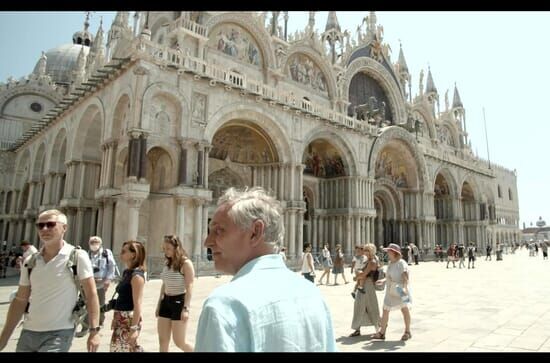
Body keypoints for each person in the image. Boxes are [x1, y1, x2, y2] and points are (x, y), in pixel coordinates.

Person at [195, 187, 337, 352]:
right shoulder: (312, 294)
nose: (208, 242)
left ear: (255, 232)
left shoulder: (225, 304)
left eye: (219, 230)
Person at [0, 209, 100, 352]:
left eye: (51, 224)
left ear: (64, 228)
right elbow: (20, 300)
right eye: (40, 225)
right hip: (29, 331)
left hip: (59, 333)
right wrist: (4, 338)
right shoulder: (30, 261)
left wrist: (94, 331)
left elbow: (91, 295)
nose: (44, 229)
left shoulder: (77, 256)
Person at [156, 235, 195, 352]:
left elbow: (190, 286)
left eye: (168, 248)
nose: (165, 251)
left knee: (179, 342)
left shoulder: (185, 263)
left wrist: (186, 308)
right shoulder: (167, 263)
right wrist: (159, 304)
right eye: (164, 248)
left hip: (179, 302)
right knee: (163, 340)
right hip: (165, 302)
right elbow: (164, 284)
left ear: (176, 247)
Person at [109, 240, 146, 352]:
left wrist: (134, 329)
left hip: (128, 320)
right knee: (116, 349)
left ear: (133, 254)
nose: (121, 253)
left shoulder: (137, 276)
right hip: (120, 317)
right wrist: (115, 319)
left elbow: (137, 304)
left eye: (124, 251)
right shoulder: (126, 272)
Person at [76, 236, 117, 337]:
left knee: (100, 304)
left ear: (100, 243)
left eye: (96, 242)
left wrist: (108, 280)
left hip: (100, 284)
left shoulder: (106, 253)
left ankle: (98, 325)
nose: (94, 244)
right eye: (92, 242)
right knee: (85, 304)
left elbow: (112, 267)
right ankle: (85, 326)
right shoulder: (86, 254)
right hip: (87, 284)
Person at [373, 243, 412, 341]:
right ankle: (382, 333)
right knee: (385, 310)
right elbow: (389, 277)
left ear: (394, 253)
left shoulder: (401, 263)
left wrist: (405, 288)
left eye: (389, 251)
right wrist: (383, 281)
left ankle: (407, 331)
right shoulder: (391, 263)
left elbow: (405, 275)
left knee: (404, 310)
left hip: (400, 289)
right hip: (390, 290)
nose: (387, 253)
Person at [349, 244, 381, 337]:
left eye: (367, 250)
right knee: (359, 306)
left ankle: (379, 328)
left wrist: (356, 277)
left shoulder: (372, 262)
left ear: (371, 252)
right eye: (365, 250)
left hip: (368, 286)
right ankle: (357, 329)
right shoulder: (367, 261)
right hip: (363, 285)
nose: (365, 252)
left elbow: (364, 274)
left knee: (372, 307)